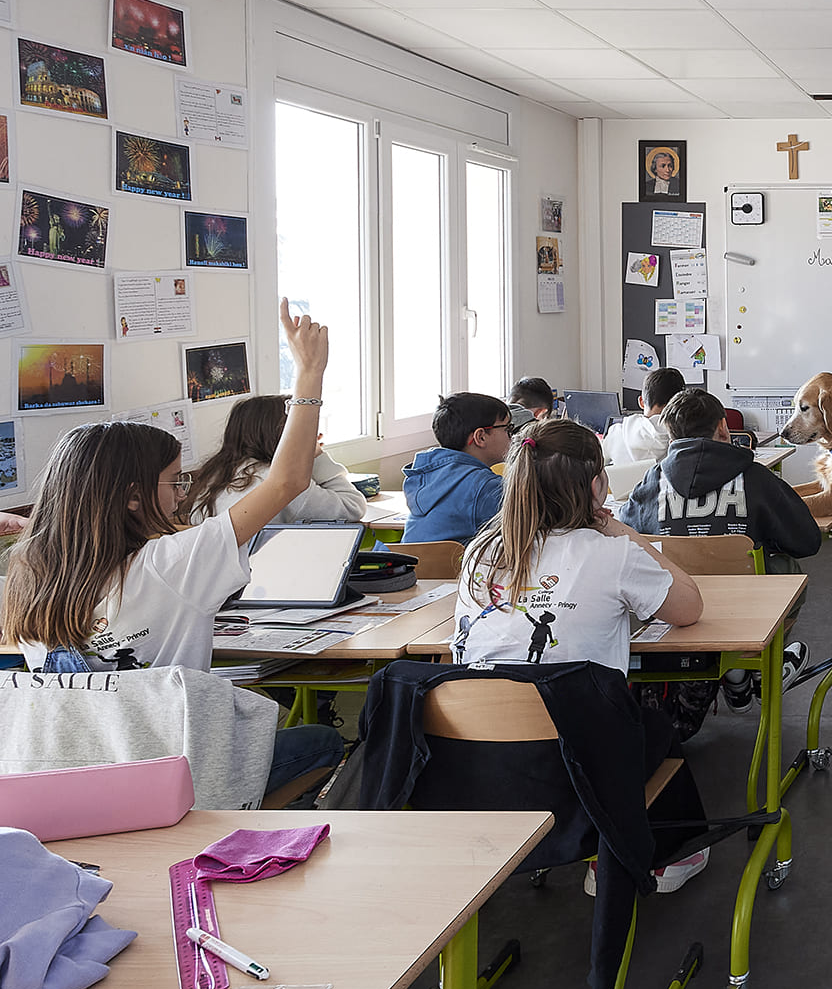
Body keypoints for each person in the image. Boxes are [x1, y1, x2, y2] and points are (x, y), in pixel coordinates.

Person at [0, 300, 348, 796]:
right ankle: (227, 823)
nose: (181, 492)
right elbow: (288, 480)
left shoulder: (29, 570)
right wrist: (309, 374)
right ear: (134, 498)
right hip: (174, 773)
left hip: (70, 775)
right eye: (173, 480)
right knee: (321, 743)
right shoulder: (172, 563)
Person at [455, 417, 712, 891]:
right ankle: (647, 855)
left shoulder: (480, 555)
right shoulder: (612, 554)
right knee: (654, 728)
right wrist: (615, 527)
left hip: (478, 761)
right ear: (597, 486)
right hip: (580, 758)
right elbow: (688, 606)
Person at [618, 386, 817, 711]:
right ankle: (755, 665)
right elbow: (807, 541)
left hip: (674, 607)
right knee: (786, 570)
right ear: (724, 428)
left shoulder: (652, 482)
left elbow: (629, 540)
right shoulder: (755, 478)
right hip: (749, 609)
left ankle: (736, 678)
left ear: (671, 433)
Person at [182, 394, 368, 526]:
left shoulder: (216, 474)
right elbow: (352, 506)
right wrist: (314, 455)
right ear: (284, 435)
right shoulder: (282, 483)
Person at [402, 393, 510, 544]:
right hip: (459, 567)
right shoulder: (486, 486)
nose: (512, 436)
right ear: (481, 437)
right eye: (507, 428)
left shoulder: (425, 477)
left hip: (413, 567)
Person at [602, 367, 684, 467]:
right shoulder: (684, 439)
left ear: (641, 402)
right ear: (680, 404)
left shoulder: (616, 433)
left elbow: (598, 464)